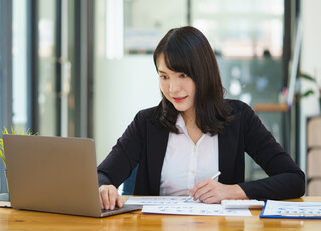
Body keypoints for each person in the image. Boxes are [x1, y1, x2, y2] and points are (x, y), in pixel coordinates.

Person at [97, 26, 305, 210]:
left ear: (204, 73)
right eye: (164, 76)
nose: (172, 88)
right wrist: (104, 189)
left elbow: (294, 180)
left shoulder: (240, 118)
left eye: (183, 75)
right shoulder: (146, 122)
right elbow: (102, 176)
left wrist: (232, 192)